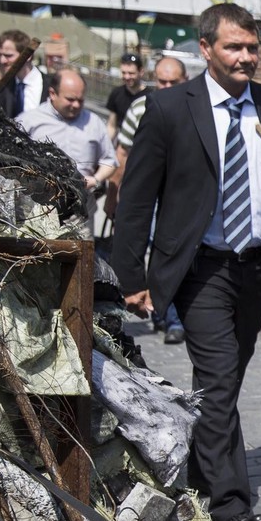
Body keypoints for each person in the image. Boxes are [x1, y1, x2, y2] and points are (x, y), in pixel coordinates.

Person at [112, 3, 261, 521]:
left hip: (258, 268)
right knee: (220, 379)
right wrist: (131, 276)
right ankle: (231, 510)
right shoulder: (167, 110)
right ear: (205, 48)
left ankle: (204, 481)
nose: (246, 58)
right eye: (235, 48)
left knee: (221, 385)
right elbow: (135, 201)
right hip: (199, 268)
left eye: (253, 48)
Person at [114, 56, 189, 344]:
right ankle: (157, 308)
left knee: (168, 251)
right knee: (145, 251)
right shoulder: (141, 107)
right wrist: (117, 191)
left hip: (177, 196)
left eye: (173, 81)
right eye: (162, 81)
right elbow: (124, 152)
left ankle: (172, 318)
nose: (167, 86)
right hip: (147, 192)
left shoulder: (193, 109)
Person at [15, 68, 117, 217]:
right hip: (38, 210)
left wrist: (95, 179)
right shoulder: (28, 122)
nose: (76, 105)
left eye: (80, 100)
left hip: (81, 210)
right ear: (52, 94)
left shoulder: (94, 123)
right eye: (70, 99)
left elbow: (110, 161)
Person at [0, 29, 45, 118]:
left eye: (8, 55)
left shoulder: (50, 84)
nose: (2, 60)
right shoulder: (5, 87)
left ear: (28, 56)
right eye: (0, 55)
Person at [105, 53, 145, 141]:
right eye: (124, 73)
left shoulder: (149, 96)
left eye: (131, 73)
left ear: (141, 72)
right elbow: (112, 125)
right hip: (121, 143)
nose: (127, 77)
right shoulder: (116, 93)